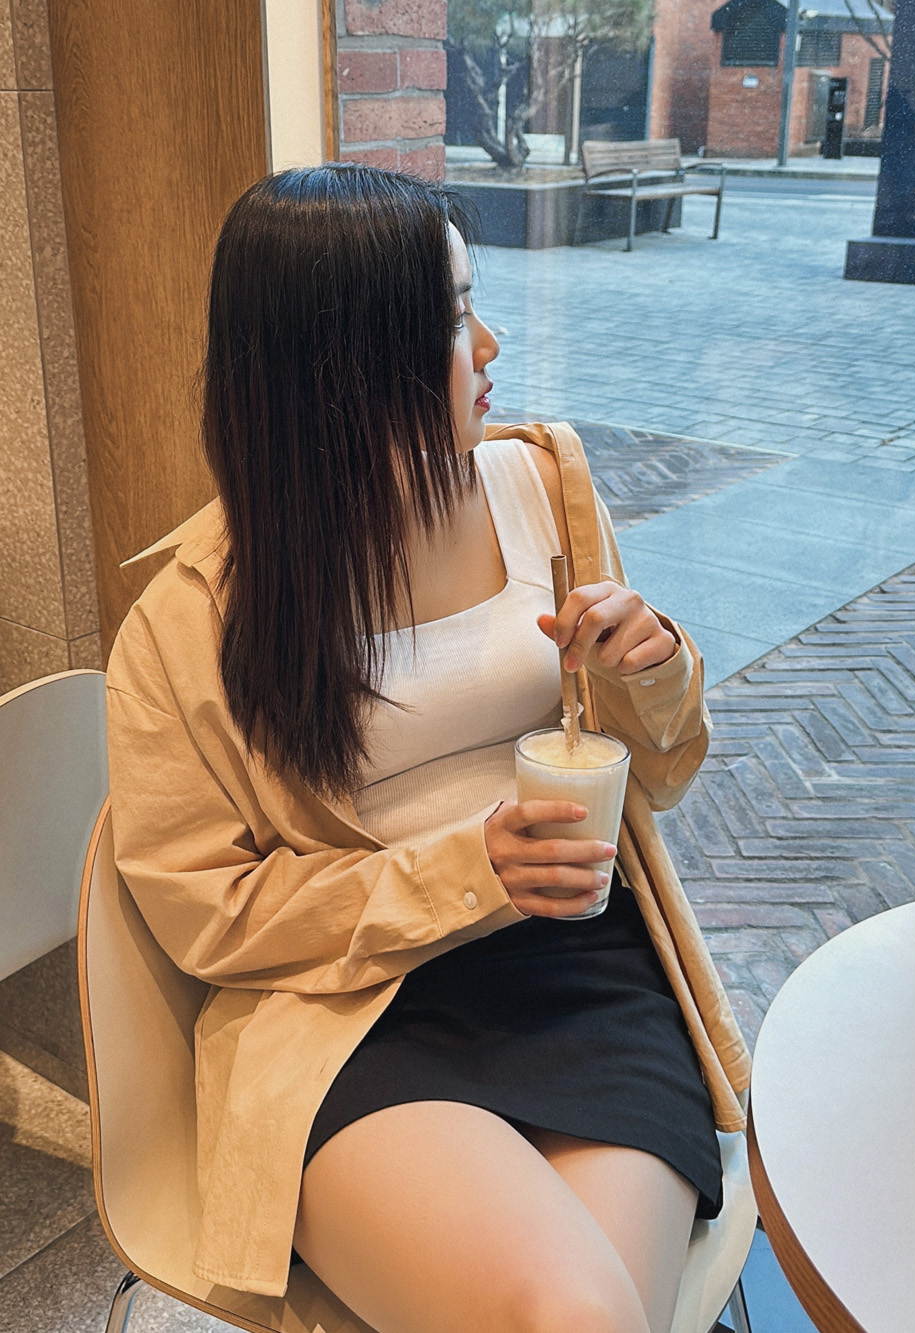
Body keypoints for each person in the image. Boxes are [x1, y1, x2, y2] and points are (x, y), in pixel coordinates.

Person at [105, 164, 750, 1333]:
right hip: (353, 1008)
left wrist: (650, 669)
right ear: (346, 364)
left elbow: (658, 773)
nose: (490, 345)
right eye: (453, 319)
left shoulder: (543, 486)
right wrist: (468, 870)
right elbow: (209, 914)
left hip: (586, 969)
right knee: (580, 1314)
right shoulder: (192, 617)